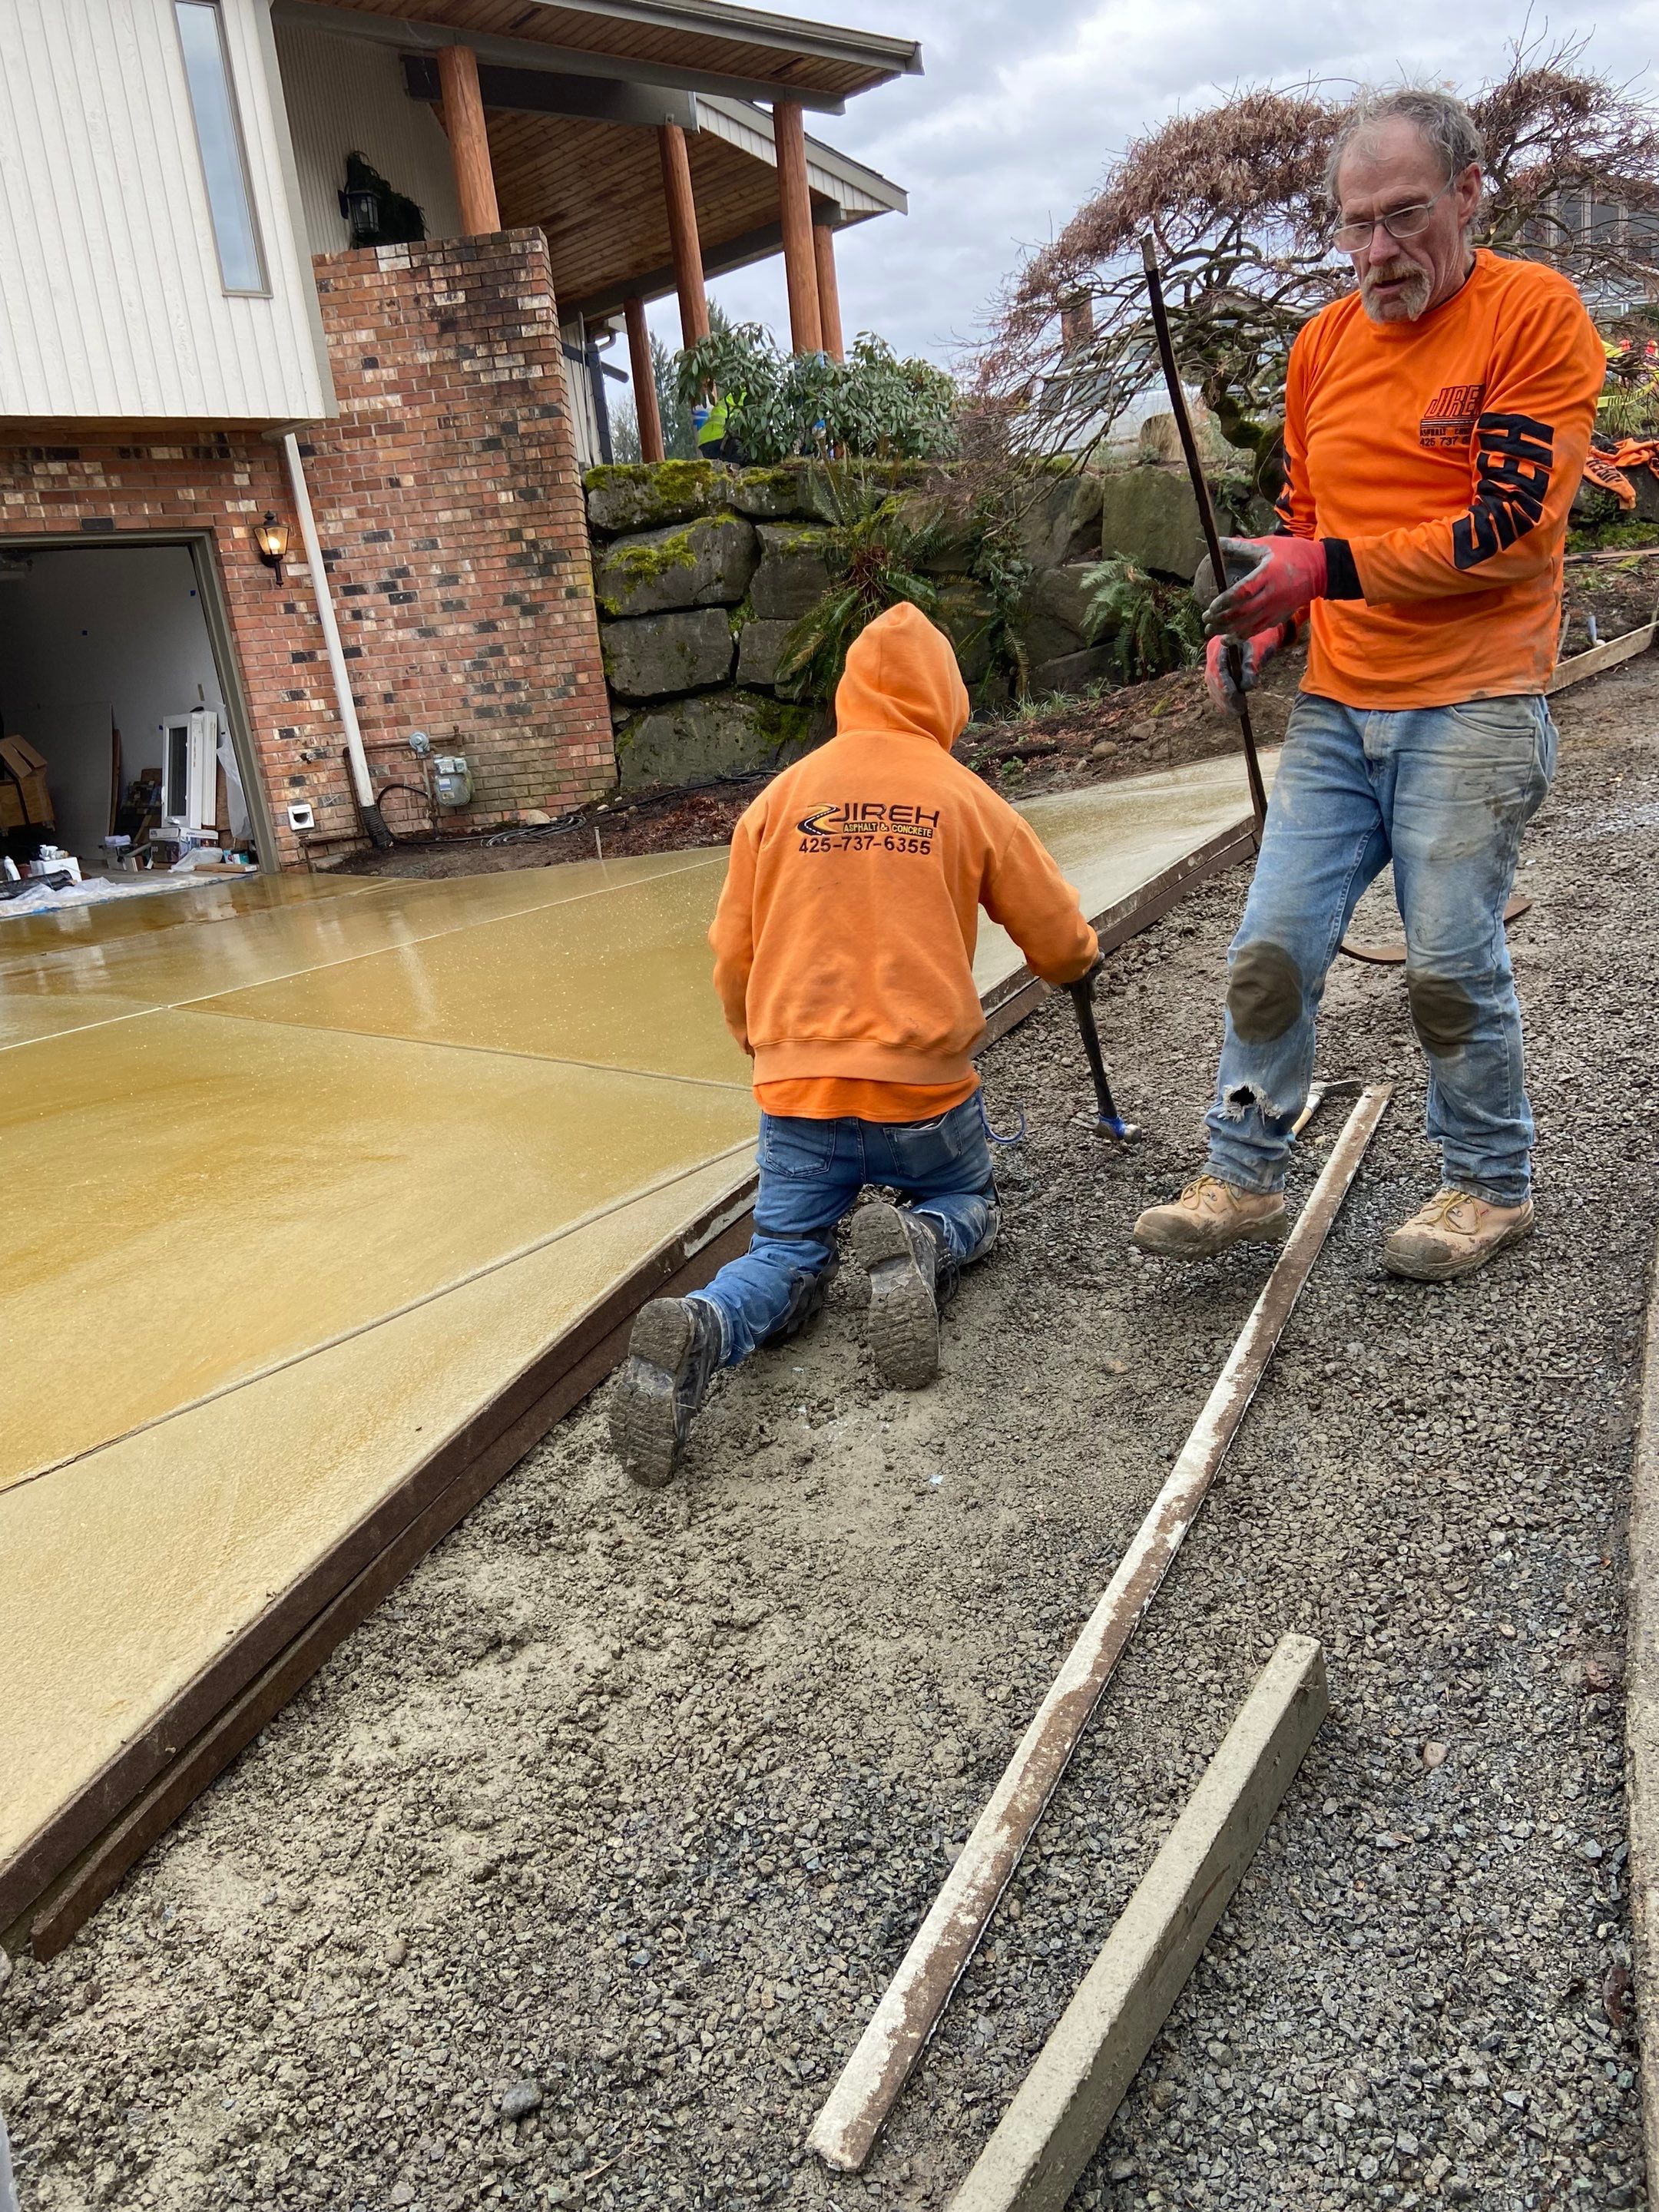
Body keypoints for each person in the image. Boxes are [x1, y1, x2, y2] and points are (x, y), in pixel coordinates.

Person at [1132, 85, 1604, 1283]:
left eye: (1404, 216)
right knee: (1271, 945)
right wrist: (1267, 621)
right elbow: (1304, 518)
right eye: (1355, 226)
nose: (1378, 253)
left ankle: (1489, 1186)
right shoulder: (1322, 346)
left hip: (1479, 696)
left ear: (1469, 193)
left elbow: (1511, 529)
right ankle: (1240, 1174)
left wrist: (1319, 568)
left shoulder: (1533, 317)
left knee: (1448, 962)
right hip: (1342, 705)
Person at [611, 601, 1099, 1486]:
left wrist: (761, 1041)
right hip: (924, 1093)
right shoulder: (964, 796)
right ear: (945, 700)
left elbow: (732, 951)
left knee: (785, 1255)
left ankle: (709, 1324)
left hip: (799, 1090)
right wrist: (1078, 963)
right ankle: (924, 1242)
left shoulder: (780, 801)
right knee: (968, 1195)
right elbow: (1062, 942)